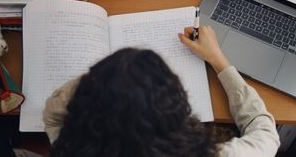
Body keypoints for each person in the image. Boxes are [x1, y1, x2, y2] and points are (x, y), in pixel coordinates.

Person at [43, 26, 280, 157]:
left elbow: (53, 118)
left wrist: (99, 81)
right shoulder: (218, 154)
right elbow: (266, 134)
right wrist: (219, 61)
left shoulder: (73, 146)